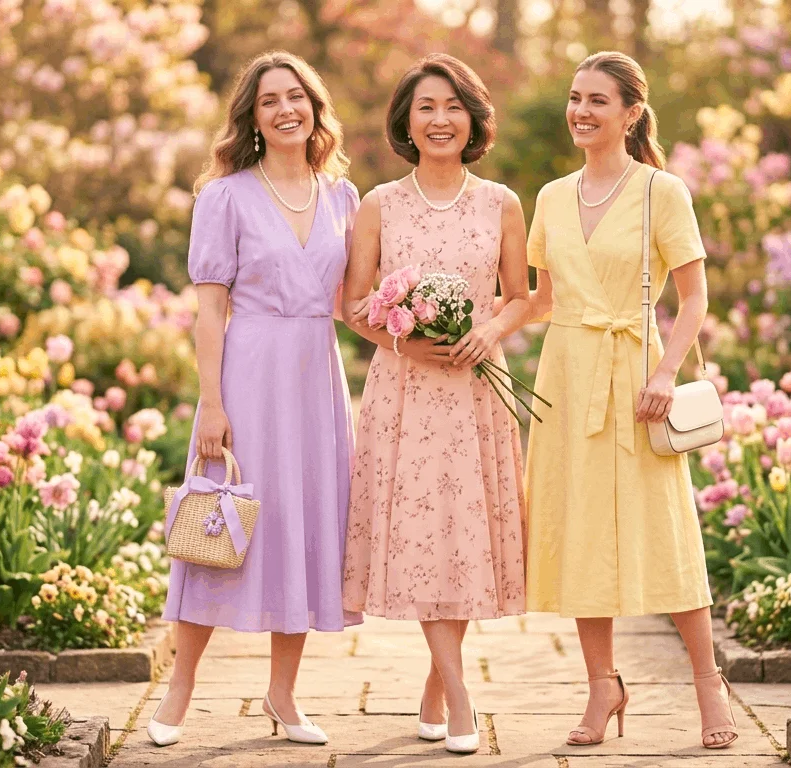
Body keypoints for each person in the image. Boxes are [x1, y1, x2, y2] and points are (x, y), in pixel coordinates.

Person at [521, 51, 738, 750]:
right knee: (580, 535)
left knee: (666, 534)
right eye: (575, 98)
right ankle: (601, 688)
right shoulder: (553, 196)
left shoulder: (660, 192)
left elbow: (695, 295)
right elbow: (544, 300)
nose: (581, 111)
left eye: (598, 100)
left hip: (639, 377)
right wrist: (457, 323)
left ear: (631, 112)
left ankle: (709, 687)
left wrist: (667, 371)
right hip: (566, 378)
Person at [147, 50, 361, 748]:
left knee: (301, 526)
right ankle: (179, 690)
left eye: (296, 96)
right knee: (216, 526)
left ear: (315, 107)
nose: (285, 109)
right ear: (253, 117)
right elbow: (210, 310)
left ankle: (283, 694)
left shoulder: (342, 198)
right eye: (269, 100)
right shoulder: (226, 195)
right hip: (247, 372)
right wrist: (212, 403)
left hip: (317, 377)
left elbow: (355, 305)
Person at [339, 53, 530, 755]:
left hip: (479, 388)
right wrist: (403, 340)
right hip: (407, 391)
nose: (440, 119)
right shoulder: (378, 204)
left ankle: (434, 684)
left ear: (472, 119)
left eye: (452, 106)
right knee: (427, 539)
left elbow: (523, 296)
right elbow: (352, 302)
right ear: (407, 123)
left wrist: (487, 329)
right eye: (426, 108)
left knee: (464, 539)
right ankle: (461, 701)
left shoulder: (502, 202)